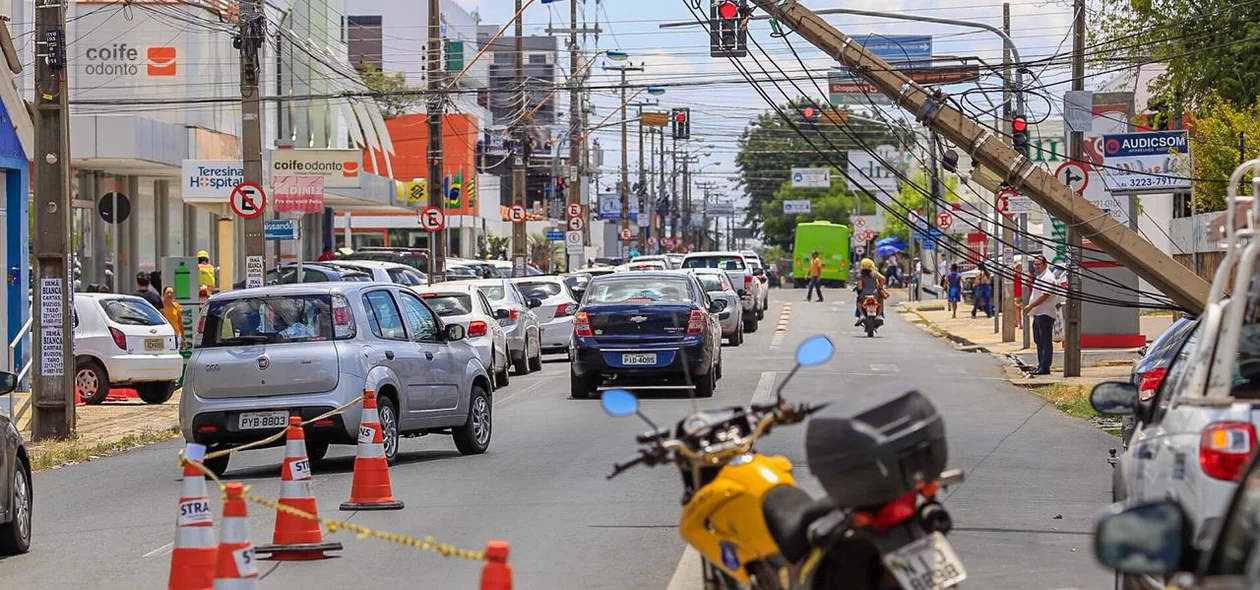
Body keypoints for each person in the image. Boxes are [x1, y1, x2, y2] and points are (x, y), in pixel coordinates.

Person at [1026, 255, 1060, 376]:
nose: (1036, 267)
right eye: (1035, 264)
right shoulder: (1040, 277)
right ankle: (1041, 365)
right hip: (1038, 312)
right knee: (1038, 340)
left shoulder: (1048, 278)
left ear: (1045, 265)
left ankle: (1045, 366)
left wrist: (1030, 306)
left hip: (1045, 313)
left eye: (1039, 264)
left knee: (1045, 341)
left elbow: (1044, 295)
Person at [853, 258, 886, 326]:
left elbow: (860, 287)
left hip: (864, 295)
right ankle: (879, 315)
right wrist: (879, 286)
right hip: (875, 294)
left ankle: (862, 315)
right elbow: (883, 279)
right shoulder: (874, 273)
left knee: (858, 302)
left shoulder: (860, 275)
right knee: (881, 301)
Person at [1012, 260, 1026, 329]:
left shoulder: (1024, 276)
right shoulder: (1013, 276)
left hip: (1022, 294)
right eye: (1018, 268)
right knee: (1017, 309)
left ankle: (1019, 323)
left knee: (1020, 309)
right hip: (1015, 295)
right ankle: (1017, 322)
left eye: (1020, 268)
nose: (1019, 269)